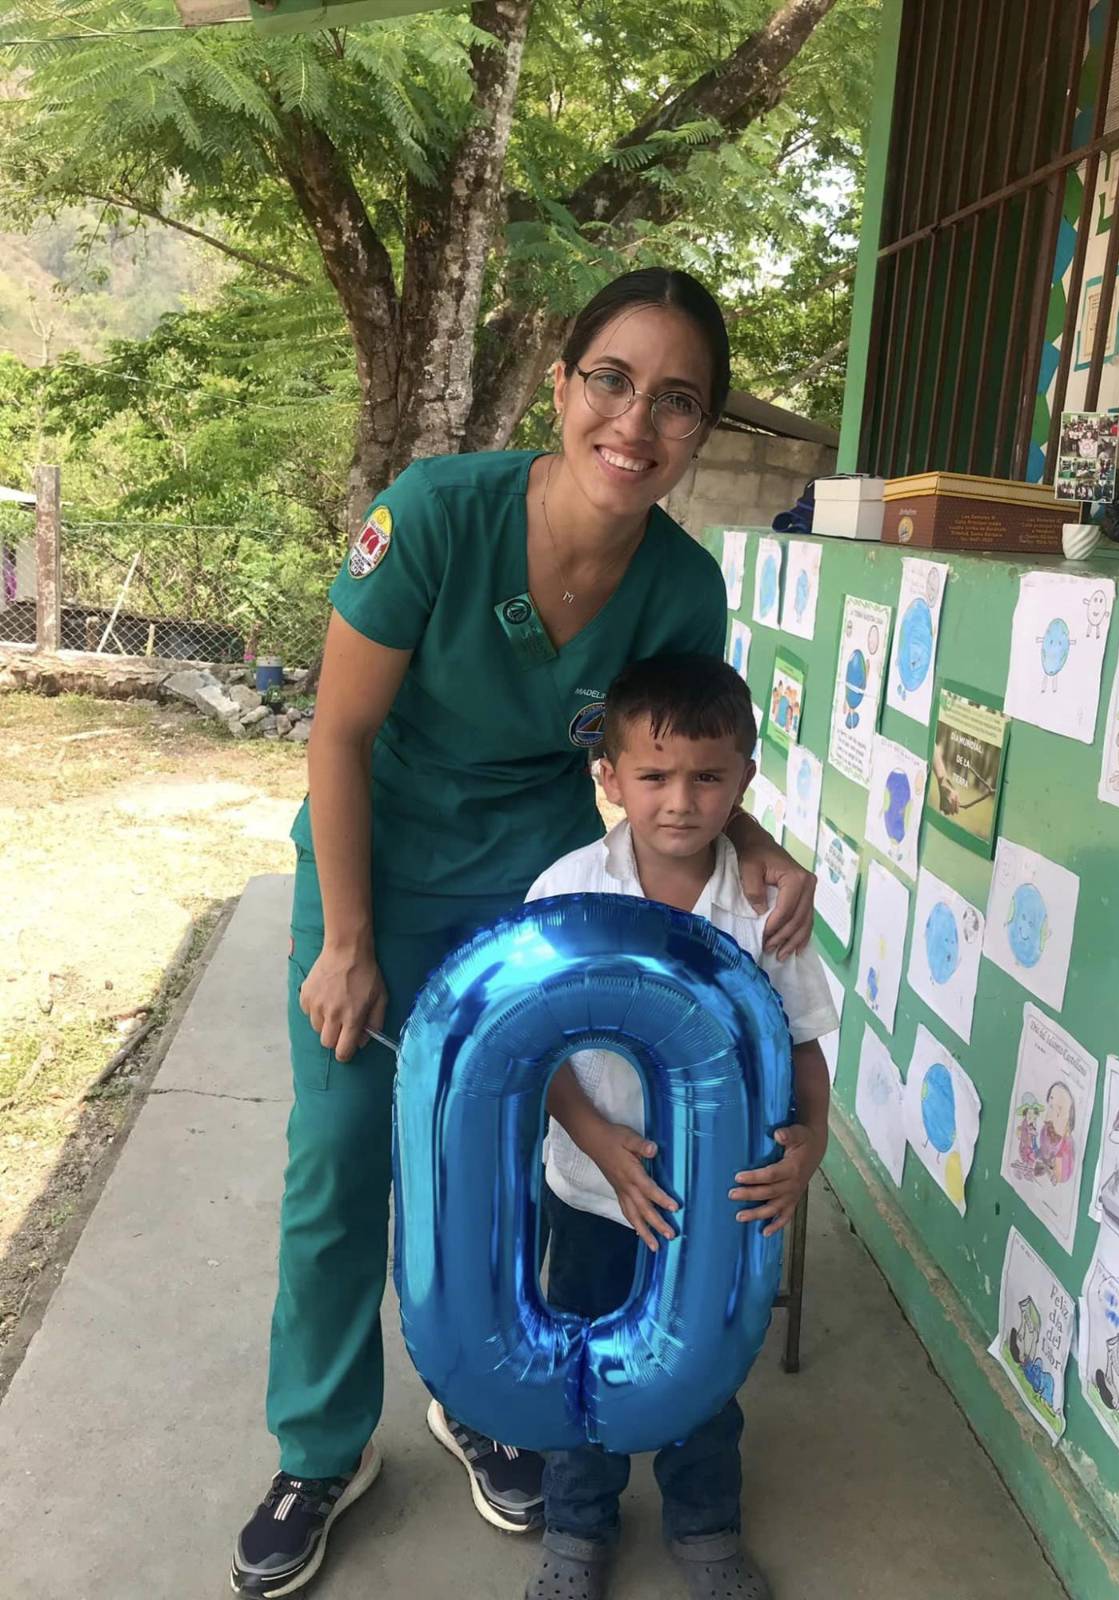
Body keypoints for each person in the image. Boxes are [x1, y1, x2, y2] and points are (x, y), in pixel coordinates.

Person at [230, 268, 818, 1598]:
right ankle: (320, 1450)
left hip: (534, 884)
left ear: (703, 427)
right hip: (378, 860)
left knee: (505, 1154)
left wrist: (758, 842)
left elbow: (675, 764)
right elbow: (338, 734)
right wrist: (347, 940)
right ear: (561, 386)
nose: (637, 421)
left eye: (678, 400)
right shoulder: (436, 515)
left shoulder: (680, 585)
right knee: (343, 1152)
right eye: (613, 380)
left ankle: (486, 1393)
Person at [522, 654, 836, 1600]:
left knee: (705, 1371)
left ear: (745, 781)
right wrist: (593, 1137)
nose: (680, 801)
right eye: (653, 775)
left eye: (707, 777)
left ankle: (705, 1528)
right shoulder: (567, 891)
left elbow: (804, 1044)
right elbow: (530, 1046)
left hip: (717, 1201)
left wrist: (812, 1144)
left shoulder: (767, 910)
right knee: (580, 1361)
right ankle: (577, 1529)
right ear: (609, 778)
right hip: (592, 1193)